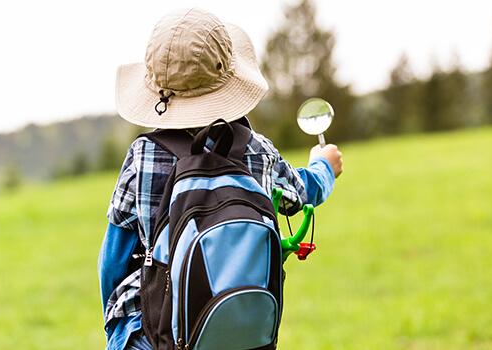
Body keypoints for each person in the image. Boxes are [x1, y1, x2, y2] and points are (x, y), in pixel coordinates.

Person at [98, 7, 343, 350]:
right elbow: (301, 194)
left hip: (149, 335)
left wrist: (118, 328)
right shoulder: (258, 151)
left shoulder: (143, 155)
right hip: (234, 335)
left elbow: (113, 260)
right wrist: (325, 167)